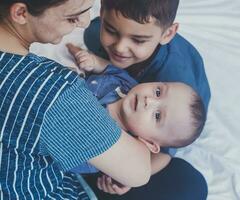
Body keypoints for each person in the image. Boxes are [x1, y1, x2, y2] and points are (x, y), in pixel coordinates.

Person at [0, 1, 153, 199]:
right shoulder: (51, 91)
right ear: (21, 13)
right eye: (73, 16)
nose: (85, 22)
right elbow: (139, 173)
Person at [81, 0, 210, 199]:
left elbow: (164, 150)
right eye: (112, 30)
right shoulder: (104, 33)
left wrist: (128, 178)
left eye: (138, 40)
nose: (121, 47)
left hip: (176, 115)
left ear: (167, 34)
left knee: (189, 184)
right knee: (91, 33)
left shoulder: (173, 81)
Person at [66, 44, 206, 175]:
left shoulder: (113, 146)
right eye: (158, 92)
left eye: (157, 116)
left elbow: (68, 156)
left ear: (150, 143)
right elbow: (108, 68)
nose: (149, 101)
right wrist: (93, 62)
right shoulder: (127, 83)